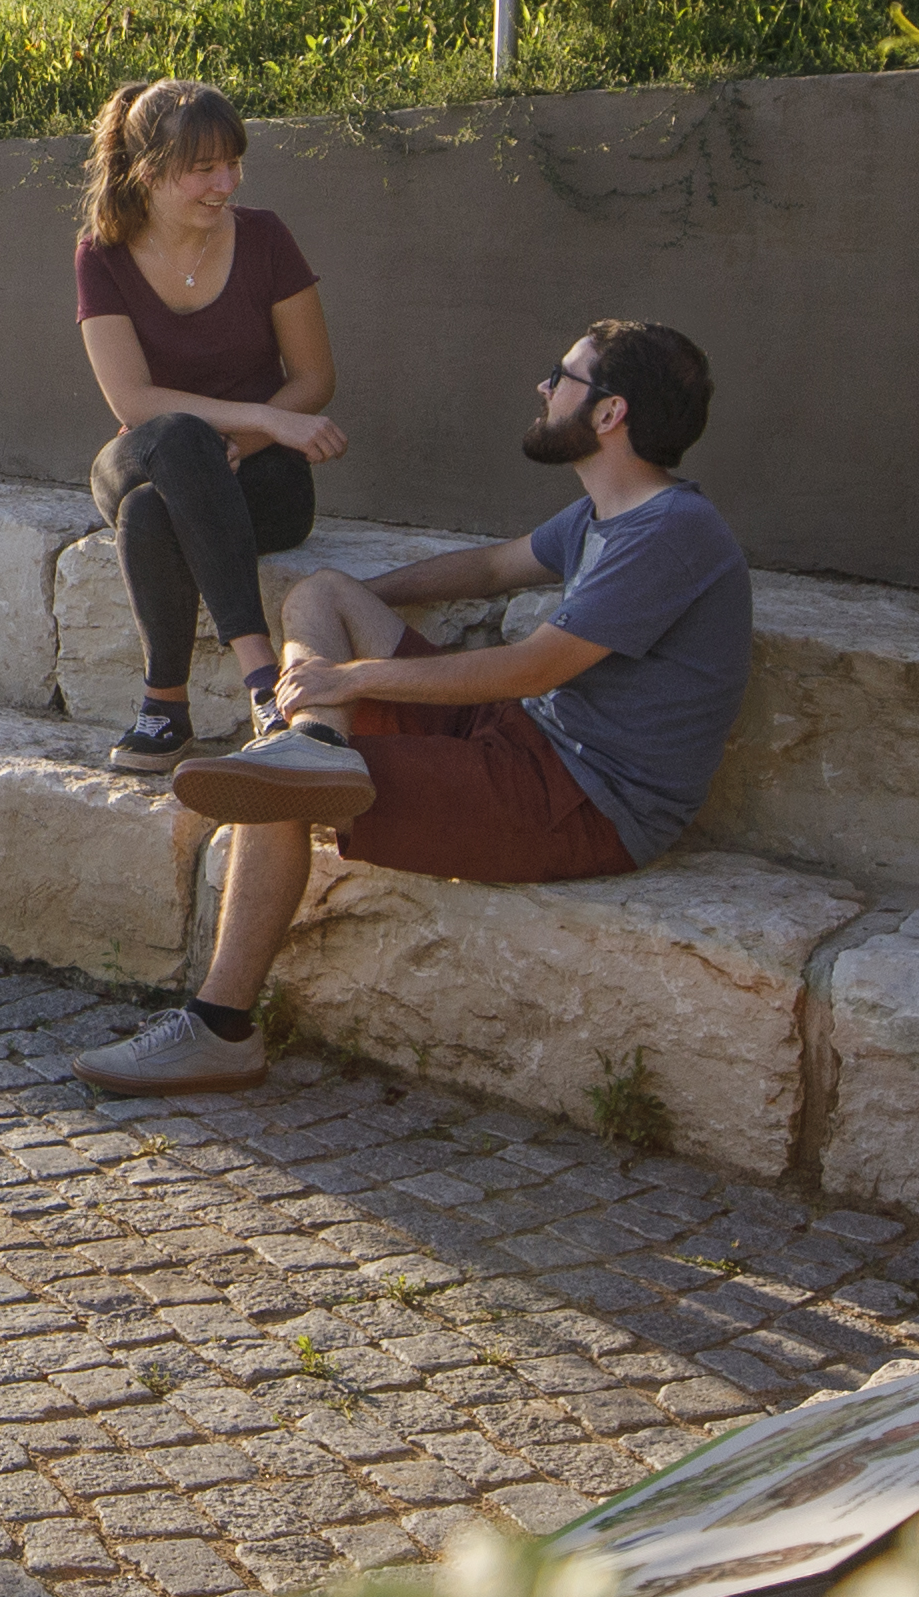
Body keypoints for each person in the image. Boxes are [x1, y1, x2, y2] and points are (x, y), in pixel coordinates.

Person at [70, 317, 750, 1096]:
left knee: (275, 792)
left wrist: (354, 679)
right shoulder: (606, 514)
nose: (544, 387)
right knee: (322, 593)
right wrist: (363, 600)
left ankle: (219, 1030)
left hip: (582, 800)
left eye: (562, 377)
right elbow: (494, 567)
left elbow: (533, 668)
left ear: (608, 413)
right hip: (522, 740)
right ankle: (314, 745)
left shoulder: (673, 532)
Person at [66, 78, 341, 765]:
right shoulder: (100, 255)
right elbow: (132, 401)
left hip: (261, 480)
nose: (226, 182)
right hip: (149, 448)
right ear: (150, 170)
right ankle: (263, 683)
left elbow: (313, 377)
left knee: (155, 511)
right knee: (177, 438)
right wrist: (256, 419)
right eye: (204, 169)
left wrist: (246, 443)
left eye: (234, 164)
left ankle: (165, 706)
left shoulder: (266, 238)